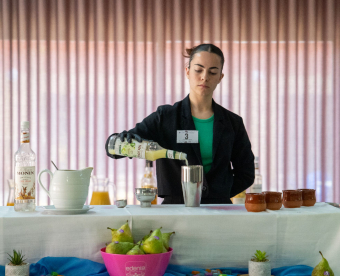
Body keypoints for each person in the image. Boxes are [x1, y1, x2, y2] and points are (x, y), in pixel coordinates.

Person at [105, 44, 255, 204]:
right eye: (198, 70)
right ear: (188, 72)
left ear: (220, 77)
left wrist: (218, 191)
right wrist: (120, 140)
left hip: (219, 207)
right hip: (174, 208)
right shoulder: (165, 117)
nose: (205, 77)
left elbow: (246, 173)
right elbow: (114, 149)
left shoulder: (233, 123)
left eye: (212, 72)